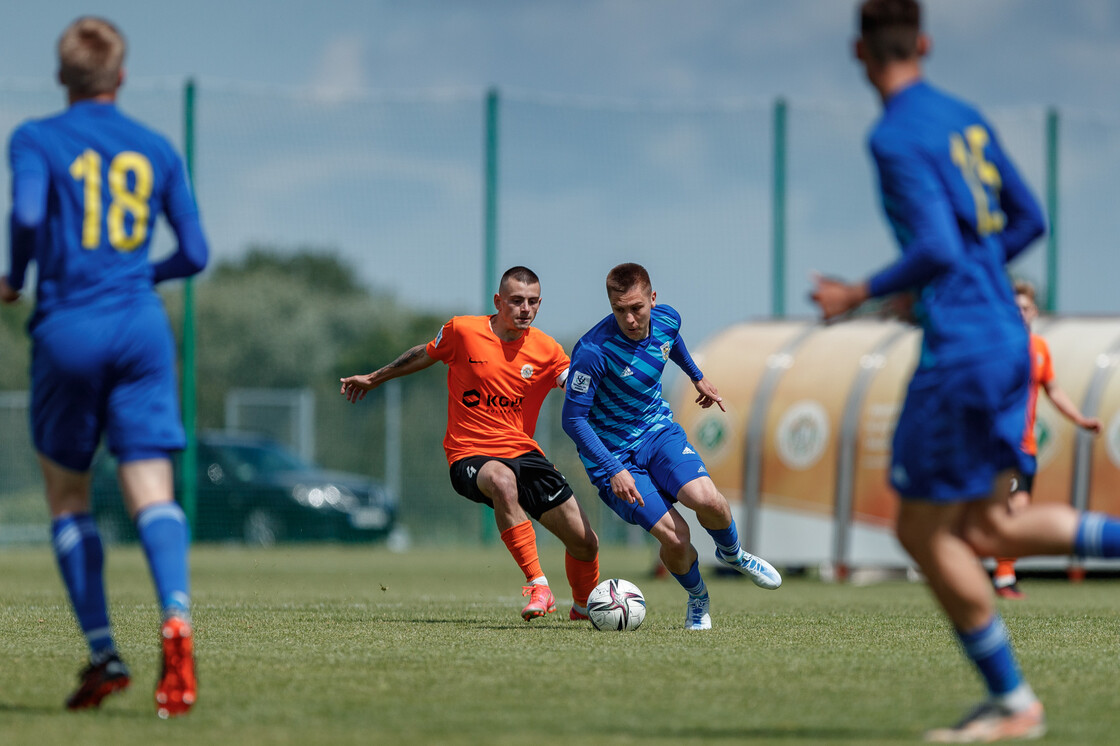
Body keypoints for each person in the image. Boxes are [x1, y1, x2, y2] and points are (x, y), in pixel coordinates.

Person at [811, 1, 1120, 741]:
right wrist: (969, 280)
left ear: (859, 52)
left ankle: (1014, 703)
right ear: (924, 42)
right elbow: (1030, 219)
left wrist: (861, 293)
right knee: (984, 526)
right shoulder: (962, 116)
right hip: (1006, 338)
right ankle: (1012, 703)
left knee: (921, 532)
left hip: (963, 350)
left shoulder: (892, 136)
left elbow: (940, 249)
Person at [1, 17, 207, 717]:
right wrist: (140, 275)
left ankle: (103, 651)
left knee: (69, 497)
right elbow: (197, 254)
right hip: (140, 326)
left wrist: (14, 275)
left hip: (69, 326)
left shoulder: (35, 138)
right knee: (152, 489)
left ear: (63, 77)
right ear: (121, 77)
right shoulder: (155, 147)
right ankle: (176, 618)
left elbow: (27, 213)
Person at [340, 266, 600, 621]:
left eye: (533, 302)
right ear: (498, 301)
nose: (525, 309)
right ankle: (538, 584)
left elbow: (575, 386)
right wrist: (374, 378)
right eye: (516, 301)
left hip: (524, 454)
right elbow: (424, 353)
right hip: (469, 454)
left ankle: (586, 608)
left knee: (586, 542)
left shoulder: (546, 349)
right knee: (501, 481)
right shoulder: (463, 331)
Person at [561, 262, 781, 632]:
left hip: (657, 432)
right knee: (676, 538)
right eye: (619, 310)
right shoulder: (592, 352)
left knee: (709, 501)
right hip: (613, 458)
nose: (629, 319)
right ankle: (698, 598)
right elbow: (573, 420)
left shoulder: (667, 319)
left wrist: (697, 376)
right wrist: (614, 469)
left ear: (653, 299)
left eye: (636, 308)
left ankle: (735, 555)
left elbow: (670, 341)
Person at [993, 280, 1102, 599]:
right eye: (1014, 308)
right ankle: (1002, 576)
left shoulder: (1039, 348)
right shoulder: (996, 346)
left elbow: (1052, 389)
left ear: (1034, 312)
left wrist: (1080, 419)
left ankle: (1004, 575)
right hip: (997, 445)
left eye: (1025, 308)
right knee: (1003, 513)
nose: (1020, 313)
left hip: (1026, 447)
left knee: (1016, 513)